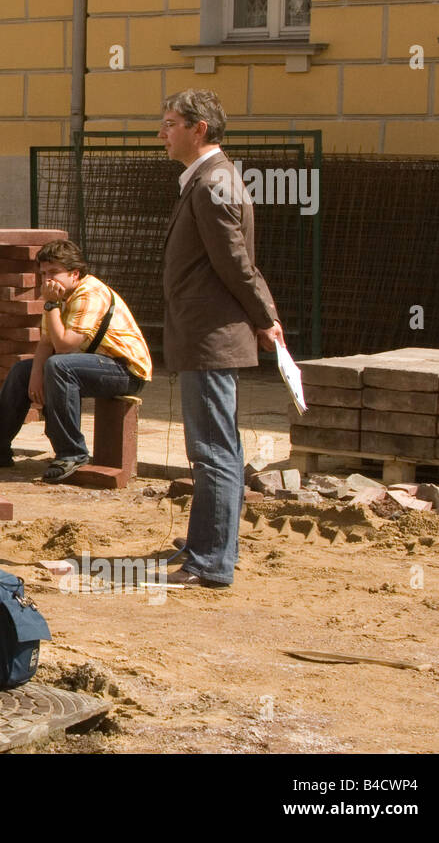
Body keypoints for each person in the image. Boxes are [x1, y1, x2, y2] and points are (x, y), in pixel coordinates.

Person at [159, 88, 283, 589]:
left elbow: (236, 263)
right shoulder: (208, 180)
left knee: (214, 449)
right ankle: (207, 544)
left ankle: (212, 561)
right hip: (206, 335)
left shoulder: (213, 182)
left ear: (198, 129)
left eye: (170, 124)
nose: (162, 134)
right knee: (214, 446)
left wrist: (264, 316)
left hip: (211, 337)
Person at [0, 239, 152, 482]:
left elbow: (64, 346)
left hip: (125, 371)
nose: (47, 280)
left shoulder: (88, 294)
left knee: (59, 366)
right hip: (89, 363)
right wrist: (35, 377)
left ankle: (72, 453)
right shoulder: (58, 296)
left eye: (54, 273)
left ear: (75, 274)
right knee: (22, 371)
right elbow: (46, 343)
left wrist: (50, 304)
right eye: (43, 274)